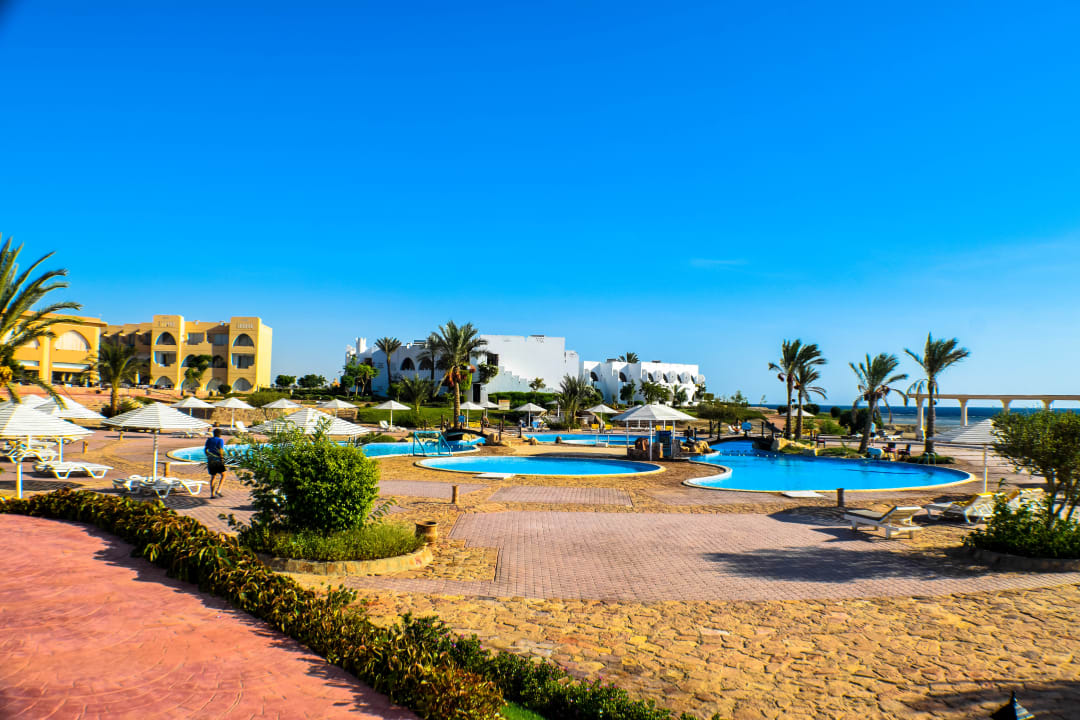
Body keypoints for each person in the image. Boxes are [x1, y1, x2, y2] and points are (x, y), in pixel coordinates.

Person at [204, 428, 227, 498]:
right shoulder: (220, 440)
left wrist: (208, 456)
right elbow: (221, 450)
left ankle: (212, 494)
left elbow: (205, 449)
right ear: (220, 434)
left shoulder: (209, 440)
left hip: (211, 460)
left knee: (213, 477)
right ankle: (218, 490)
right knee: (224, 475)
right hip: (217, 460)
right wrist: (222, 459)